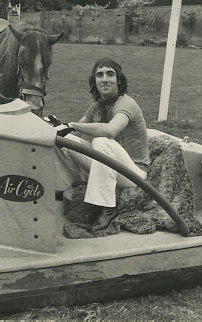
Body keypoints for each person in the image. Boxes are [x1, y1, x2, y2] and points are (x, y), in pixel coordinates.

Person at [57, 57, 150, 232]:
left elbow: (110, 131)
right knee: (63, 140)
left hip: (134, 175)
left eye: (110, 74)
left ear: (119, 80)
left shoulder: (126, 103)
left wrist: (73, 125)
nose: (105, 79)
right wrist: (57, 126)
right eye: (99, 75)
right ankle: (63, 184)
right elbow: (74, 132)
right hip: (111, 167)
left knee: (102, 141)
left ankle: (107, 208)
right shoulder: (97, 106)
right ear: (95, 81)